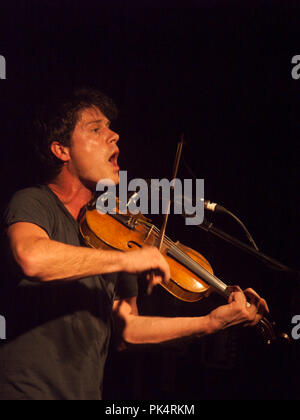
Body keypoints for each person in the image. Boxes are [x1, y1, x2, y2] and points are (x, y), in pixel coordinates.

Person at [0, 87, 269, 400]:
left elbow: (128, 331)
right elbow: (31, 257)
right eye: (96, 129)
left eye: (111, 129)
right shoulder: (34, 202)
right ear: (61, 150)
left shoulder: (114, 231)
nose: (113, 136)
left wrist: (209, 323)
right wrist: (127, 260)